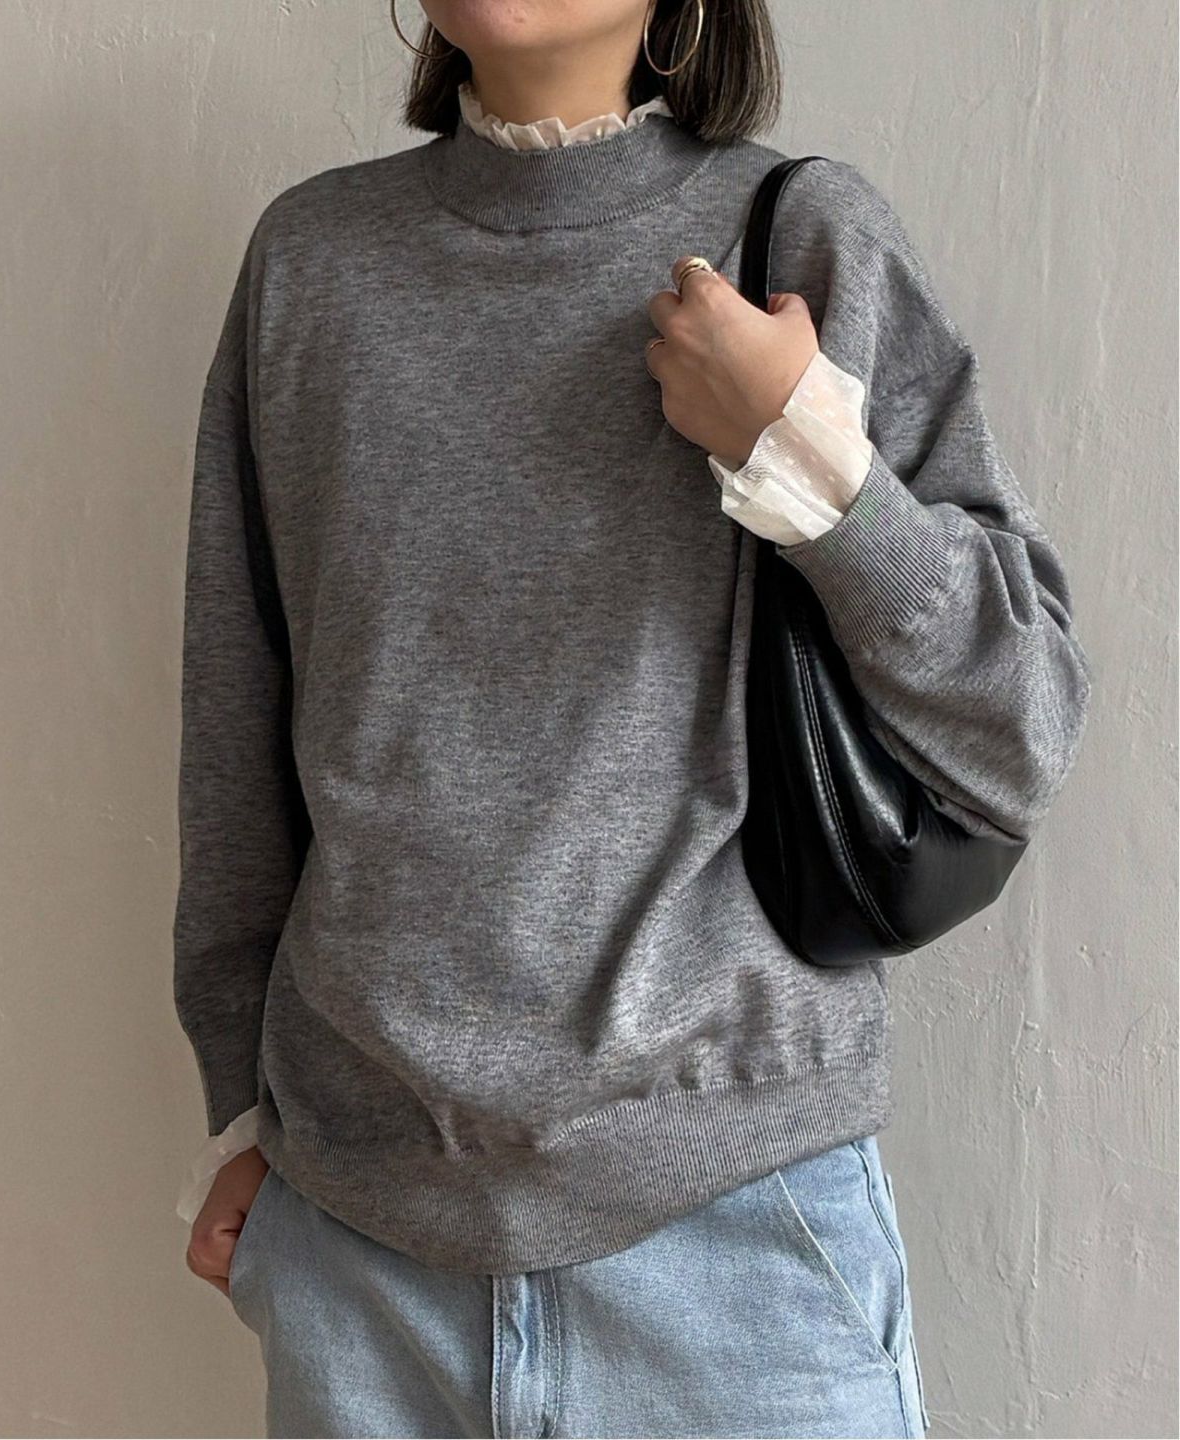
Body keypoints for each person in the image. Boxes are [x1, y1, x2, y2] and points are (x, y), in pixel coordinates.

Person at [172, 1, 1092, 1436]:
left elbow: (1020, 717)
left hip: (740, 1248)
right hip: (359, 1251)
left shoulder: (802, 241)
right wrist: (241, 1102)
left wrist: (808, 458)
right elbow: (239, 717)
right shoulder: (313, 262)